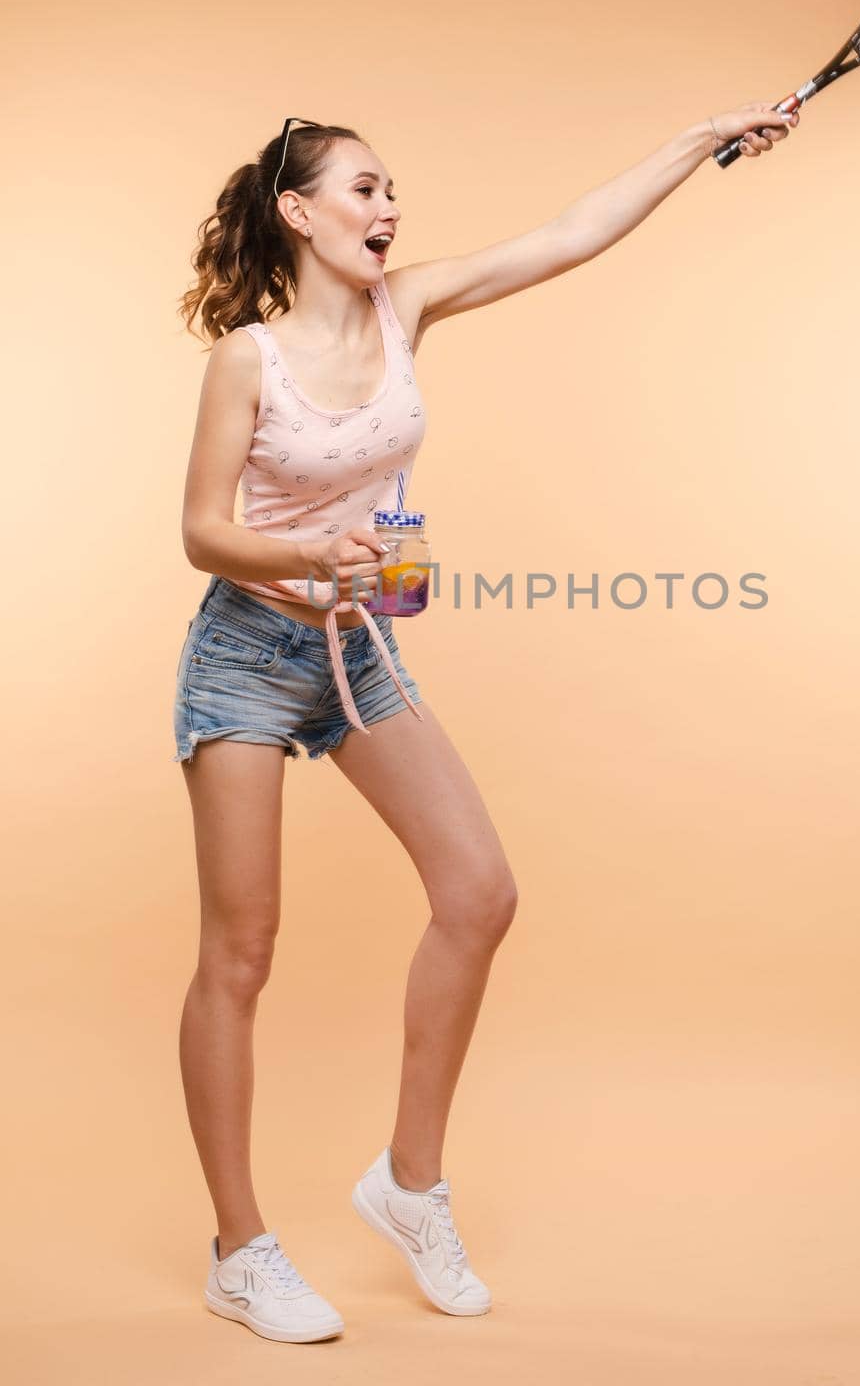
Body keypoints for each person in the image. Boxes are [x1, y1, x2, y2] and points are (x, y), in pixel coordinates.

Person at [173, 102, 800, 1345]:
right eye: (361, 189)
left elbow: (569, 235)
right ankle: (239, 1250)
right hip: (246, 653)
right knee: (241, 953)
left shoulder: (408, 309)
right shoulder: (248, 355)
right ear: (297, 212)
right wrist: (313, 549)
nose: (387, 208)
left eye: (391, 188)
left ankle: (407, 1184)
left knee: (478, 891)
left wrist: (699, 139)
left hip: (363, 647)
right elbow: (199, 528)